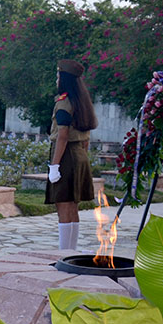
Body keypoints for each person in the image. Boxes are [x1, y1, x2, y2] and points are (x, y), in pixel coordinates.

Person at [45, 59, 98, 250]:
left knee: (63, 206)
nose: (57, 79)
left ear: (64, 79)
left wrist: (54, 165)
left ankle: (64, 253)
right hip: (80, 155)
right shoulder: (82, 102)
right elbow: (86, 138)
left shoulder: (64, 103)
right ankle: (70, 250)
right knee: (73, 206)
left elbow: (62, 136)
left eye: (58, 76)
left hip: (66, 156)